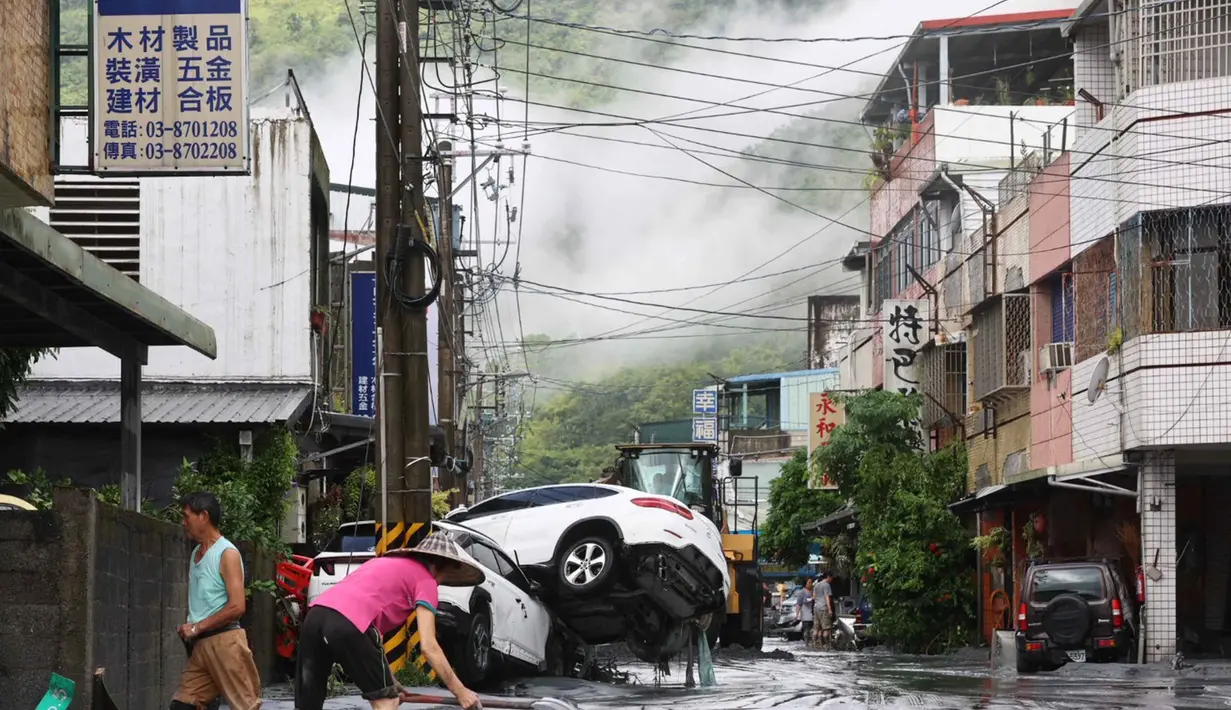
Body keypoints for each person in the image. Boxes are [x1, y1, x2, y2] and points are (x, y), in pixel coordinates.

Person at [295, 530, 485, 710]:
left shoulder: (382, 563)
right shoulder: (426, 581)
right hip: (349, 623)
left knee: (308, 704)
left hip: (315, 618)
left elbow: (372, 643)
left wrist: (390, 681)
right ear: (444, 565)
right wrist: (461, 692)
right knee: (387, 701)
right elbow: (429, 646)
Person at [171, 491, 263, 710]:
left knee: (246, 707)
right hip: (201, 647)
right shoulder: (196, 554)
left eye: (187, 516)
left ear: (203, 516)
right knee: (183, 706)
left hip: (226, 643)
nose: (183, 523)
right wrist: (193, 629)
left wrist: (196, 627)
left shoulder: (227, 553)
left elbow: (237, 606)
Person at [813, 571, 836, 650]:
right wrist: (830, 609)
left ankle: (815, 645)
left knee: (817, 628)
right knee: (826, 628)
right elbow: (827, 597)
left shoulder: (816, 584)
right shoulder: (826, 585)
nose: (832, 580)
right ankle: (827, 646)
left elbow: (814, 597)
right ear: (828, 577)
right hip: (823, 608)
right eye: (832, 578)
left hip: (816, 608)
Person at [793, 578, 815, 646]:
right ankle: (806, 644)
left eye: (811, 582)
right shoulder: (802, 592)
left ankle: (814, 644)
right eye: (809, 582)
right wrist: (797, 615)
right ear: (805, 584)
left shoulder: (814, 591)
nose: (810, 584)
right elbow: (798, 604)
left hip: (814, 613)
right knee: (806, 630)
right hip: (806, 614)